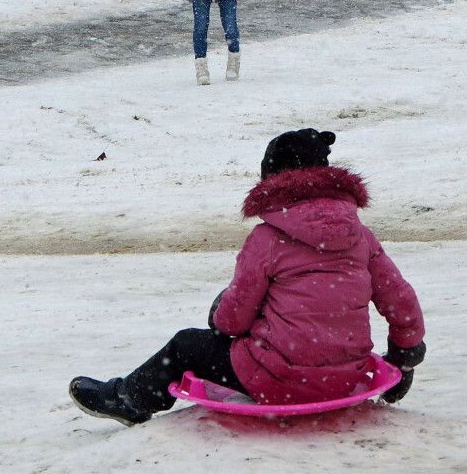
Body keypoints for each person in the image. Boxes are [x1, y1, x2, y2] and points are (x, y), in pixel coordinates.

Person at [68, 129, 426, 425]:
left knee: (185, 345)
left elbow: (234, 320)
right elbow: (401, 302)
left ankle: (128, 399)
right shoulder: (360, 236)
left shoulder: (267, 239)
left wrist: (220, 311)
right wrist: (403, 358)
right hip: (346, 378)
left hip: (279, 381)